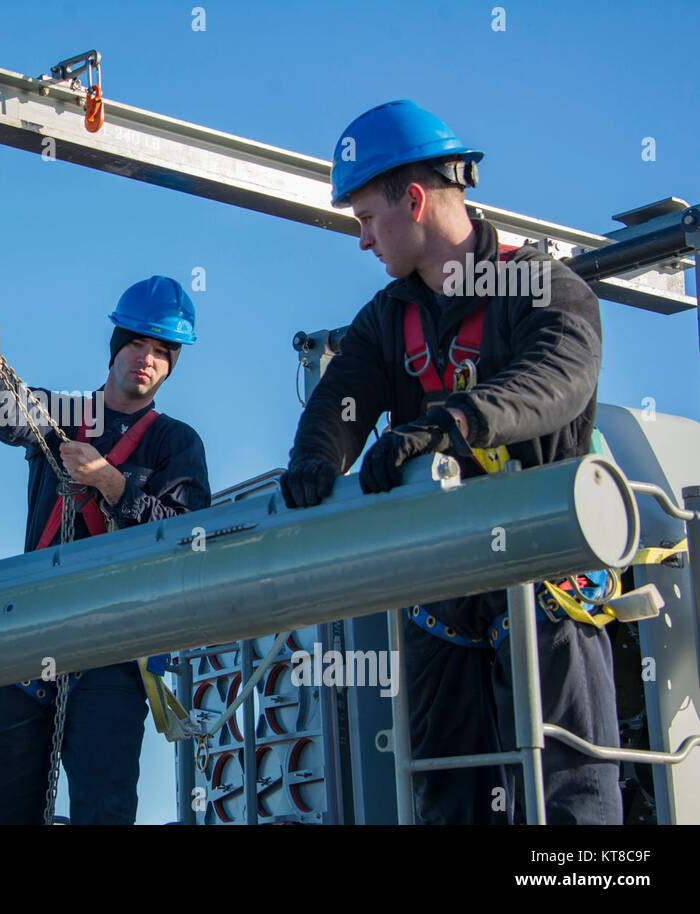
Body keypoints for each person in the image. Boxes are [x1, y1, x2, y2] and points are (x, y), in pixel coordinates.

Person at [279, 100, 619, 824]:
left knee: (570, 785)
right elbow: (342, 401)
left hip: (544, 567)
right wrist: (316, 460)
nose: (363, 240)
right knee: (447, 785)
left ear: (414, 198)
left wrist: (451, 425)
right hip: (445, 586)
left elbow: (558, 379)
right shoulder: (386, 322)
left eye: (368, 219)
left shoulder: (542, 288)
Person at [0, 275, 211, 824]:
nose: (147, 359)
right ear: (116, 344)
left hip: (113, 649)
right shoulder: (63, 415)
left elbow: (187, 538)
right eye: (138, 343)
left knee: (104, 809)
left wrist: (113, 484)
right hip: (28, 634)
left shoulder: (175, 444)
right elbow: (10, 415)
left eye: (163, 351)